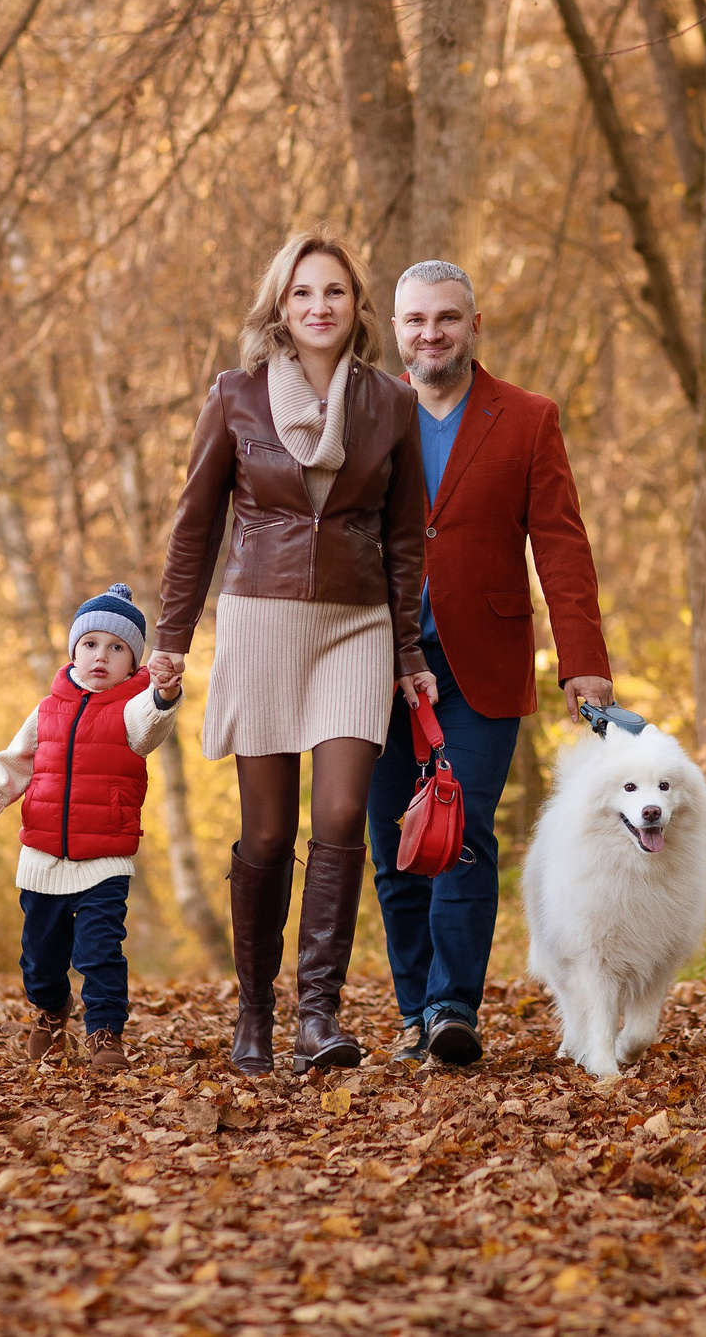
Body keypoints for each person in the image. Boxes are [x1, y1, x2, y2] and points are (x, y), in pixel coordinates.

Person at [147, 232, 437, 1076]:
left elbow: (407, 533)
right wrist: (171, 638)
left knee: (344, 815)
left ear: (358, 309)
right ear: (282, 306)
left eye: (336, 293)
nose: (320, 306)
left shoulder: (391, 402)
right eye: (305, 293)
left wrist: (408, 645)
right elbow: (194, 526)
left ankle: (319, 1016)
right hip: (261, 619)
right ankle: (255, 1012)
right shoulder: (235, 396)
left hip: (357, 623)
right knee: (268, 832)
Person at [370, 260, 614, 1067]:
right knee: (391, 843)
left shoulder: (528, 417)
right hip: (375, 663)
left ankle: (450, 1007)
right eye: (415, 320)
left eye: (447, 318)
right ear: (396, 330)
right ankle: (412, 1010)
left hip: (482, 662)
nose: (431, 332)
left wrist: (582, 660)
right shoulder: (369, 411)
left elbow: (562, 543)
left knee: (460, 829)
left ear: (475, 327)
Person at [0, 585, 184, 1072]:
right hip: (42, 859)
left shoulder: (130, 709)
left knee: (100, 952)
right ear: (73, 651)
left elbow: (150, 726)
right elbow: (14, 765)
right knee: (40, 960)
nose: (101, 657)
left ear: (133, 663)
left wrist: (164, 693)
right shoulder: (47, 710)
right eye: (91, 644)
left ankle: (105, 1033)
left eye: (116, 648)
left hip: (105, 861)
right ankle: (49, 1009)